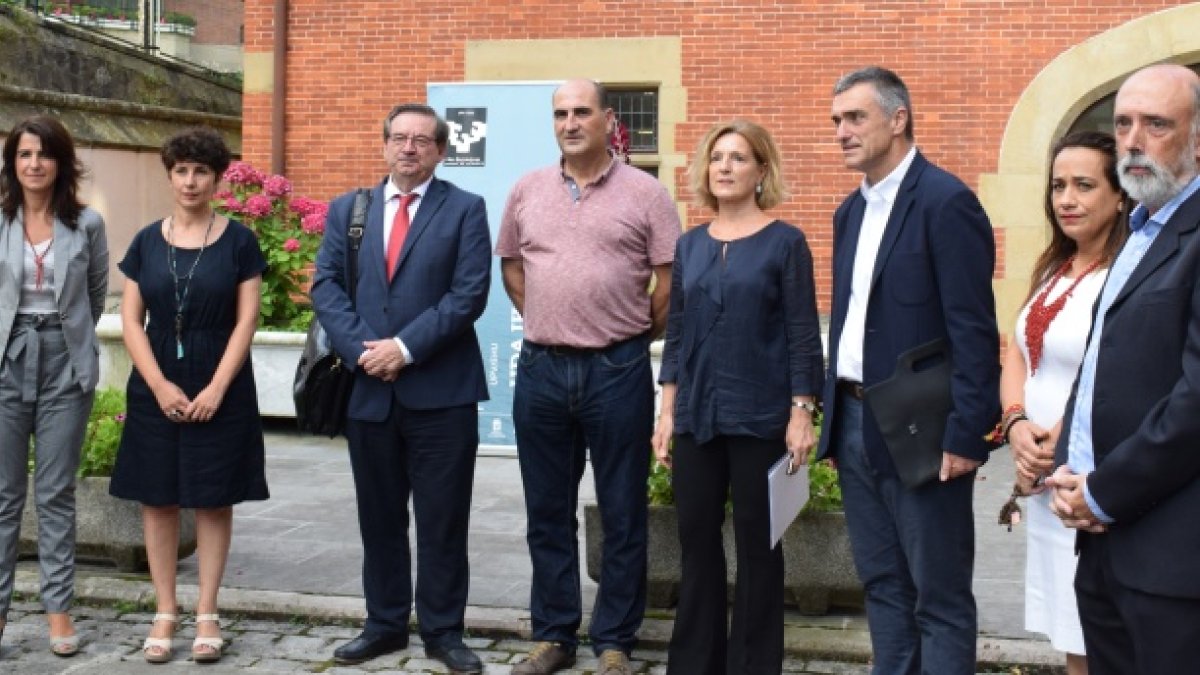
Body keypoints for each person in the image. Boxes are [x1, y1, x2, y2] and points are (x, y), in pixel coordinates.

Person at [815, 66, 1000, 673]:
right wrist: (835, 421)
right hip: (855, 425)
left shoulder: (947, 203)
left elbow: (973, 332)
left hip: (925, 431)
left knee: (939, 597)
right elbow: (848, 324)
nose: (841, 131)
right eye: (837, 120)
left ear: (898, 120)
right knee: (883, 587)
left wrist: (968, 433)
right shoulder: (849, 213)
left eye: (855, 117)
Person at [496, 78, 680, 675]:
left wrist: (625, 336)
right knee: (547, 511)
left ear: (608, 120)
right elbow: (513, 270)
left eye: (581, 112)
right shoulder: (526, 189)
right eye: (560, 114)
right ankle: (553, 634)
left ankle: (614, 642)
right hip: (542, 370)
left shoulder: (646, 193)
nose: (570, 123)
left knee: (623, 510)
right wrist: (553, 319)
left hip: (617, 369)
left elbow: (668, 287)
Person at [311, 103, 491, 673]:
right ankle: (384, 624)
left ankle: (443, 631)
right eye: (399, 138)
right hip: (370, 391)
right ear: (385, 145)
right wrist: (366, 351)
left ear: (439, 150)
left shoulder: (465, 209)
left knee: (443, 518)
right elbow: (326, 286)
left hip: (442, 392)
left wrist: (404, 348)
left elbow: (468, 296)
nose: (409, 148)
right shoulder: (350, 210)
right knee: (379, 516)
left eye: (422, 140)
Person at [652, 120, 824, 674]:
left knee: (758, 550)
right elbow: (675, 333)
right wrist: (666, 411)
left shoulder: (786, 243)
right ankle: (694, 665)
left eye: (739, 158)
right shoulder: (689, 245)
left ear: (761, 171)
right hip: (697, 416)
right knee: (697, 545)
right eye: (717, 157)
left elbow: (803, 334)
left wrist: (802, 412)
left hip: (762, 417)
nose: (725, 166)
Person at [1048, 63, 1200, 674]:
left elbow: (1194, 400)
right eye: (1124, 124)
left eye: (1156, 125)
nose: (1133, 140)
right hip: (1104, 546)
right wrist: (1066, 457)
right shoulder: (1139, 229)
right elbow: (1109, 364)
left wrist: (1104, 493)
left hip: (1172, 557)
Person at [109, 127, 268, 664]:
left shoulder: (240, 241)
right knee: (157, 496)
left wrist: (218, 387)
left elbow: (247, 320)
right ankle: (164, 610)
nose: (190, 180)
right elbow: (131, 319)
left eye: (201, 171)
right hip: (157, 377)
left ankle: (206, 612)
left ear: (217, 178)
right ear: (170, 174)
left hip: (220, 376)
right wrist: (158, 384)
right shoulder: (146, 240)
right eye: (181, 170)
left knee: (213, 496)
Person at [999, 131, 1130, 675]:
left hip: (1091, 472)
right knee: (1069, 627)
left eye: (1083, 185)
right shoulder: (1055, 266)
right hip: (1044, 474)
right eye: (1058, 186)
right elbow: (1018, 352)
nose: (1066, 199)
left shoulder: (1128, 272)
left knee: (1102, 630)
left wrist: (1062, 434)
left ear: (1121, 195)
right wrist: (1016, 423)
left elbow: (1123, 375)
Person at [0, 115, 108, 658]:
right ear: (12, 163)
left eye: (43, 154)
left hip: (65, 363)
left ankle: (58, 612)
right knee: (3, 496)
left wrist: (78, 356)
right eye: (23, 154)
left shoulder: (85, 224)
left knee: (55, 492)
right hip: (6, 360)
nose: (34, 164)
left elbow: (93, 293)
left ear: (61, 163)